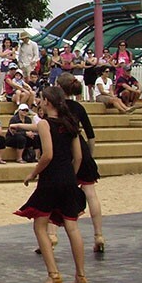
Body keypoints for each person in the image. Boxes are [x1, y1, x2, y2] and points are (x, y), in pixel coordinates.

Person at [15, 85, 87, 283]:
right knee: (72, 226)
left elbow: (47, 155)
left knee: (40, 226)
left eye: (41, 99)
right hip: (68, 177)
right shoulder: (70, 123)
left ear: (47, 101)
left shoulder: (46, 123)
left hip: (51, 179)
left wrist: (33, 173)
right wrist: (70, 175)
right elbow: (79, 156)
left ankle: (53, 274)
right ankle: (81, 274)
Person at [56, 73, 105, 253]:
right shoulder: (78, 107)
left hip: (65, 151)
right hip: (82, 149)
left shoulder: (56, 108)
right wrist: (89, 156)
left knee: (57, 193)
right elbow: (90, 135)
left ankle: (52, 235)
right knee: (91, 193)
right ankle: (98, 234)